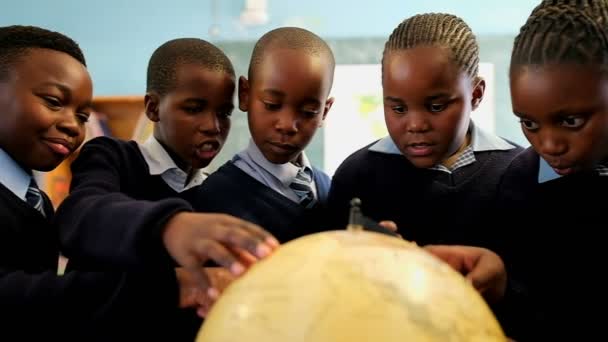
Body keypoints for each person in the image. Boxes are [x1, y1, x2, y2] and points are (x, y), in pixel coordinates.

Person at [53, 37, 279, 339]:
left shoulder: (216, 192)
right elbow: (82, 215)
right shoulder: (112, 157)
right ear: (153, 107)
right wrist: (170, 225)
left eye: (224, 112)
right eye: (194, 108)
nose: (213, 126)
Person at [427, 1, 608, 340]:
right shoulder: (519, 182)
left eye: (571, 121)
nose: (548, 145)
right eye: (529, 123)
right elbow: (534, 314)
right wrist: (502, 284)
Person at [328, 13, 522, 250]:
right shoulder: (356, 176)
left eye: (436, 107)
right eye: (399, 108)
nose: (416, 125)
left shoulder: (519, 172)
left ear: (476, 94)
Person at [194, 27, 334, 243]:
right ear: (245, 95)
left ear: (324, 112)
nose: (287, 126)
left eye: (308, 112)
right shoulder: (213, 201)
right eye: (272, 105)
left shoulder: (331, 189)